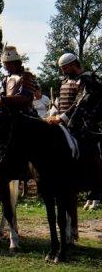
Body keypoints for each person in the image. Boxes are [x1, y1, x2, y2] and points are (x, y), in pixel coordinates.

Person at [45, 52, 102, 209]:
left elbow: (81, 102)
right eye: (62, 68)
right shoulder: (64, 80)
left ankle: (97, 191)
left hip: (84, 124)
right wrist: (53, 114)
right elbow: (60, 101)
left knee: (90, 153)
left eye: (65, 67)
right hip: (64, 123)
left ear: (73, 65)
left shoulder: (87, 78)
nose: (63, 71)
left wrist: (62, 118)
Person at [0, 45, 38, 114]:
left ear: (15, 63)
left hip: (26, 115)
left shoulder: (26, 76)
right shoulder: (6, 79)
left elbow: (25, 97)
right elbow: (0, 94)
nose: (6, 67)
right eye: (5, 64)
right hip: (8, 114)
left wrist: (3, 99)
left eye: (8, 64)